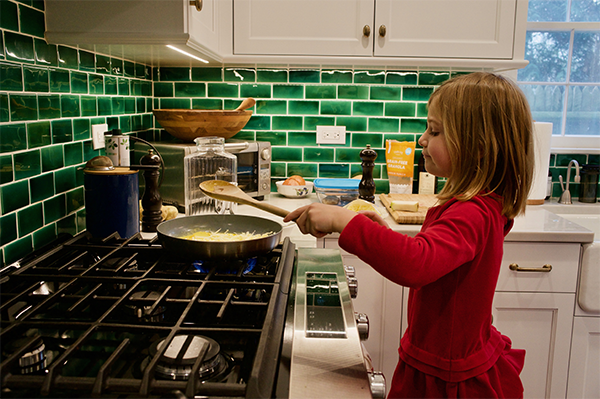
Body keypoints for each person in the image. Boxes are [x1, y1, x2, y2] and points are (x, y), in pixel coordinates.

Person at [283, 72, 533, 399]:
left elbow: (415, 265)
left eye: (435, 130)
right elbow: (437, 264)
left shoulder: (470, 212)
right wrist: (379, 232)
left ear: (479, 148)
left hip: (447, 381)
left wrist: (342, 219)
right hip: (441, 361)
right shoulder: (478, 205)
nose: (422, 139)